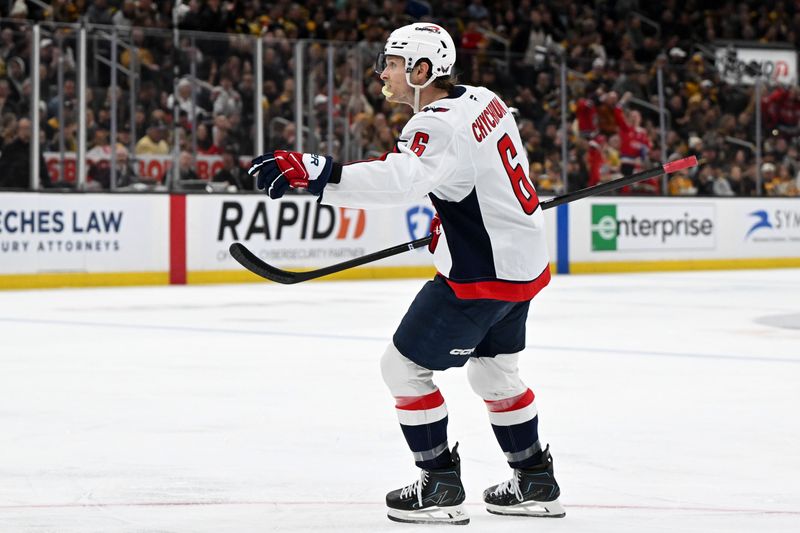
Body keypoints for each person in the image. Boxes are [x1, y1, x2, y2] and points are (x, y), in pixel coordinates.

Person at [248, 22, 564, 525]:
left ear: (422, 71)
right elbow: (482, 173)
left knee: (402, 369)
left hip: (479, 276)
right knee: (494, 372)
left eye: (392, 63)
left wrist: (319, 172)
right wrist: (462, 219)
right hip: (522, 265)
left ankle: (439, 485)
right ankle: (535, 481)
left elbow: (400, 180)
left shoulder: (434, 123)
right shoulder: (484, 99)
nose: (383, 73)